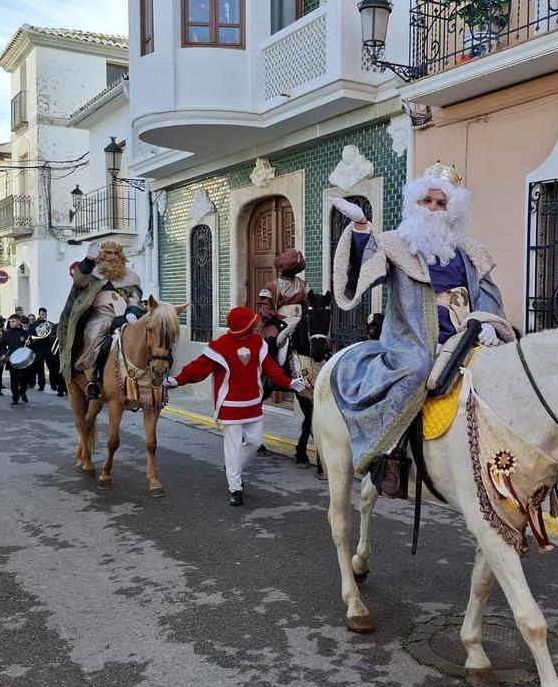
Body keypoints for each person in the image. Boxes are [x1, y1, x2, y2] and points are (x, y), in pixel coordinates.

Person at [328, 162, 508, 476]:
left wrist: (489, 322)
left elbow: (486, 293)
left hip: (466, 334)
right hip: (414, 339)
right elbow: (363, 275)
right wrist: (360, 230)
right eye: (428, 201)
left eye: (442, 204)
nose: (434, 209)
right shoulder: (394, 244)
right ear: (415, 203)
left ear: (453, 210)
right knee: (417, 368)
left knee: (506, 371)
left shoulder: (471, 251)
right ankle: (388, 452)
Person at [166, 307, 306, 506]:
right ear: (244, 325)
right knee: (231, 447)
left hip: (253, 404)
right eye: (252, 322)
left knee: (255, 442)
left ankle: (233, 468)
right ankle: (235, 488)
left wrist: (288, 382)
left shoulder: (257, 342)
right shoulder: (219, 346)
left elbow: (271, 368)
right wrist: (177, 380)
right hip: (230, 406)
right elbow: (198, 368)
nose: (256, 325)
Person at [57, 239, 144, 401]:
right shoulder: (92, 273)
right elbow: (78, 280)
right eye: (108, 253)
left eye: (115, 253)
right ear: (101, 256)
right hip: (101, 315)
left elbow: (135, 297)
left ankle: (145, 379)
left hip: (126, 317)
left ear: (121, 256)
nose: (112, 257)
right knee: (95, 331)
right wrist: (88, 260)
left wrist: (132, 312)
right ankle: (92, 379)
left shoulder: (131, 276)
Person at [1, 314, 32, 405]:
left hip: (23, 360)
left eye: (13, 321)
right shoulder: (7, 333)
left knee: (24, 380)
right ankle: (15, 397)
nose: (11, 323)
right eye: (10, 321)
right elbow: (1, 345)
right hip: (12, 359)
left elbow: (30, 346)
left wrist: (29, 343)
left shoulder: (25, 333)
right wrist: (4, 354)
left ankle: (22, 391)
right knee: (13, 380)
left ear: (19, 322)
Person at [35, 307, 64, 396]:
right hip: (40, 349)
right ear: (39, 314)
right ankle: (42, 385)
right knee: (40, 369)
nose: (44, 316)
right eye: (42, 314)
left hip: (50, 350)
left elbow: (50, 337)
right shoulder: (35, 325)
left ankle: (54, 385)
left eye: (45, 314)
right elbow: (50, 337)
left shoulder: (51, 324)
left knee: (53, 369)